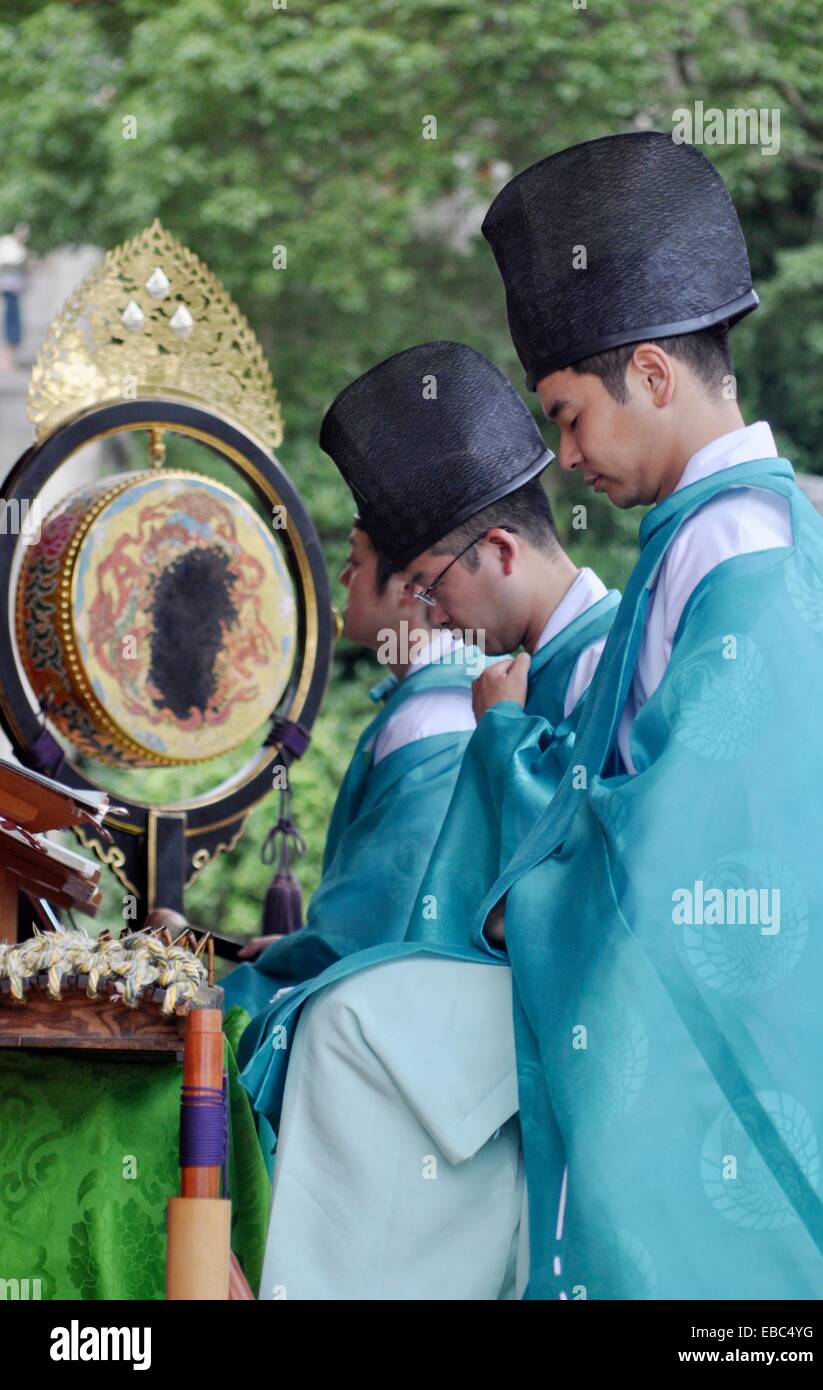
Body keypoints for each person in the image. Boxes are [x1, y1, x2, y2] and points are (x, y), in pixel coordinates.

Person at [467, 129, 823, 1299]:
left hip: (741, 1067)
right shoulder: (725, 535)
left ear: (649, 372)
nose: (563, 454)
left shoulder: (730, 550)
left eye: (567, 414)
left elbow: (689, 862)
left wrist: (524, 878)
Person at [238, 341, 619, 1299]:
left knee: (346, 1026)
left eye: (431, 581)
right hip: (518, 993)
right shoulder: (524, 666)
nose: (429, 609)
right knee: (338, 1020)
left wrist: (500, 741)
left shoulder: (607, 651)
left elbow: (583, 883)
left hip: (585, 1011)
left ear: (497, 550)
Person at [221, 519, 480, 1020]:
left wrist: (292, 955)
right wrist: (300, 944)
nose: (343, 579)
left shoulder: (434, 719)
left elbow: (371, 931)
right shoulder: (437, 696)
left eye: (356, 562)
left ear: (412, 588)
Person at [0, 224, 28, 372]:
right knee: (12, 321)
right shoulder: (9, 245)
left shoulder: (15, 246)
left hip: (13, 289)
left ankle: (7, 360)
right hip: (10, 289)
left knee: (13, 320)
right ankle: (6, 361)